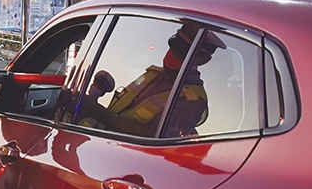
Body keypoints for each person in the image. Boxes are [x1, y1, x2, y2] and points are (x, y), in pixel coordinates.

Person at [79, 23, 218, 137]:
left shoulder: (193, 100)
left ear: (199, 60)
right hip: (98, 142)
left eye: (181, 53)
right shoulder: (154, 74)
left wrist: (98, 112)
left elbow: (156, 136)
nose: (171, 54)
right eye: (173, 47)